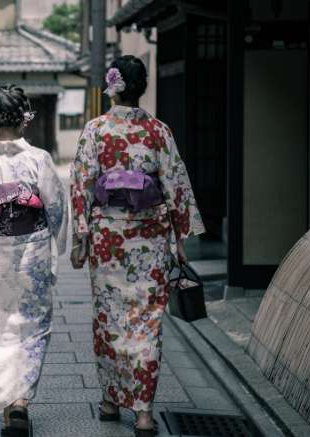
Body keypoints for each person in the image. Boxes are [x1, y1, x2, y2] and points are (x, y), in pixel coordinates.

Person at [69, 56, 204, 436]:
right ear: (141, 87)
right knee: (147, 322)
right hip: (150, 236)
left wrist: (80, 239)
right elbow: (176, 186)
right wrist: (180, 239)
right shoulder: (158, 131)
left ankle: (111, 399)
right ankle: (143, 411)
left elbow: (81, 186)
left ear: (111, 87)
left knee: (109, 317)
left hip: (107, 238)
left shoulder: (95, 130)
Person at [0, 85, 71, 437]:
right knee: (31, 325)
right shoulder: (39, 159)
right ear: (25, 117)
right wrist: (56, 245)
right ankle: (21, 403)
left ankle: (7, 404)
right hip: (31, 248)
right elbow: (55, 207)